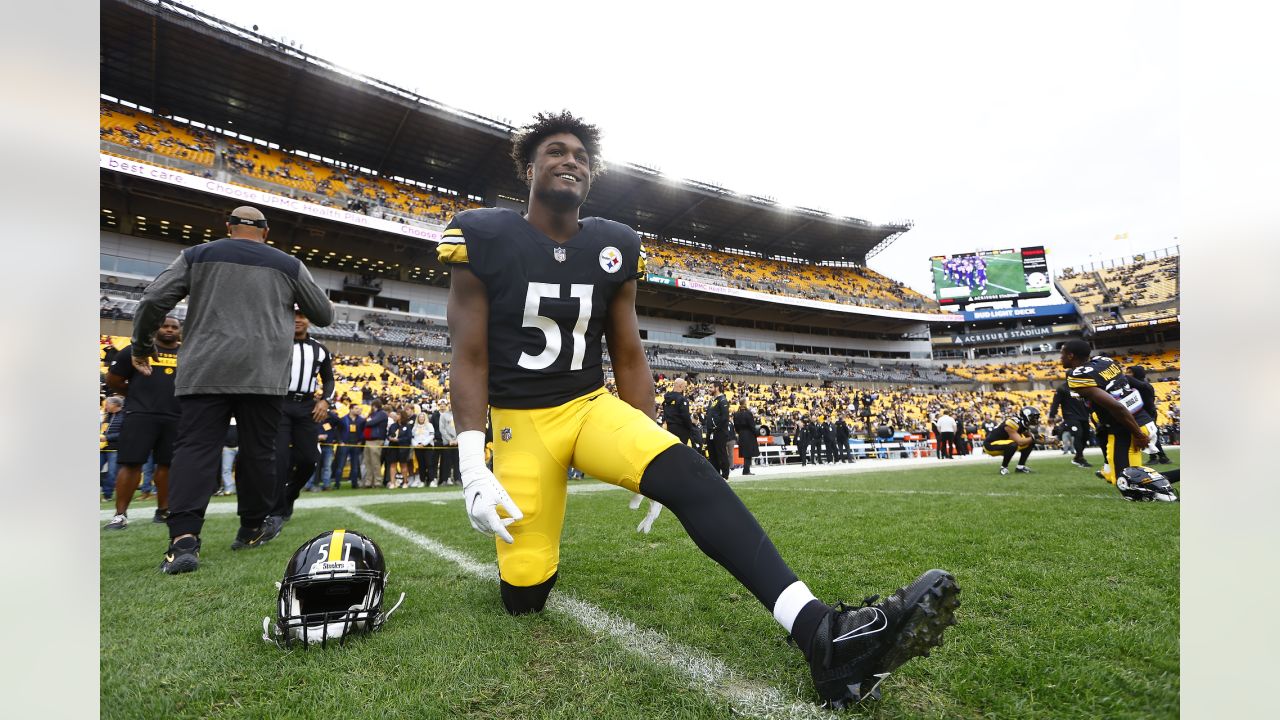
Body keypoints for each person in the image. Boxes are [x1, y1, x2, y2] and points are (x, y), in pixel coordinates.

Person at [438, 111, 958, 707]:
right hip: (516, 424)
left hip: (585, 407)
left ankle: (821, 634)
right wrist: (474, 464)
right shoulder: (483, 234)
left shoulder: (613, 245)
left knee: (688, 472)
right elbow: (470, 354)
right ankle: (531, 562)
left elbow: (628, 352)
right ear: (530, 168)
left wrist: (646, 436)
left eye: (581, 155)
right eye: (556, 151)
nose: (571, 160)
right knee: (525, 594)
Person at [130, 205, 332, 574]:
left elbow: (153, 299)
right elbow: (324, 313)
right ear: (266, 232)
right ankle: (252, 528)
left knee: (195, 449)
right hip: (264, 372)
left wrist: (142, 346)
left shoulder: (196, 255)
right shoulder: (288, 264)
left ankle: (184, 539)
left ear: (228, 227)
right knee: (260, 452)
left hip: (206, 367)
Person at [104, 316, 182, 529]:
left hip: (175, 416)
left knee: (168, 465)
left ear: (179, 331)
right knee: (131, 464)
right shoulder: (135, 350)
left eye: (174, 327)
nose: (169, 330)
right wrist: (136, 395)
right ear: (155, 328)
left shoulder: (188, 353)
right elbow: (113, 380)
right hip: (140, 415)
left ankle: (163, 510)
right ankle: (120, 515)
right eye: (164, 325)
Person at [267, 309, 335, 521]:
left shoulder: (320, 350)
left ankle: (291, 493)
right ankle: (277, 511)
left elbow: (329, 380)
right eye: (293, 316)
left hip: (306, 406)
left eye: (302, 316)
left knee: (309, 459)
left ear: (309, 320)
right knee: (278, 458)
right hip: (280, 404)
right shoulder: (276, 343)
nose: (297, 320)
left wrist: (325, 400)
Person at [1059, 339, 1152, 485]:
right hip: (1140, 417)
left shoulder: (1077, 376)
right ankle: (1108, 470)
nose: (1060, 358)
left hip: (1128, 427)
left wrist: (1138, 434)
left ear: (1071, 355)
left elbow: (1117, 407)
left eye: (1062, 354)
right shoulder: (1104, 361)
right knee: (1125, 478)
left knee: (1128, 483)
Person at [1127, 366, 1172, 464]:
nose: (1128, 374)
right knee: (1149, 435)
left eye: (1130, 372)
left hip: (1148, 414)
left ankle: (1158, 457)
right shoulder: (1136, 386)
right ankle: (1160, 457)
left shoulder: (1145, 385)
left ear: (1137, 373)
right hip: (1144, 414)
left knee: (1150, 435)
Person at [982, 406, 1040, 476]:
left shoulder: (1023, 423)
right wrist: (1035, 437)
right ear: (1026, 416)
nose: (1036, 419)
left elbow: (1031, 438)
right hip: (990, 445)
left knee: (1030, 442)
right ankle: (1003, 468)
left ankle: (1020, 467)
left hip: (1004, 443)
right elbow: (1020, 442)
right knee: (1013, 444)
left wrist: (1050, 439)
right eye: (1033, 417)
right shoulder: (1012, 423)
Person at [1047, 381, 1093, 468]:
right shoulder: (1062, 388)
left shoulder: (1081, 386)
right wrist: (1051, 415)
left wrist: (1092, 412)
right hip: (1070, 417)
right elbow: (1055, 403)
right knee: (1078, 435)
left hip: (1084, 416)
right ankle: (1080, 458)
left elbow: (1087, 402)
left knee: (1086, 437)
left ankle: (1077, 457)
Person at [703, 380, 732, 479]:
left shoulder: (722, 400)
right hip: (710, 432)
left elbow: (725, 417)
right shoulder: (712, 400)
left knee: (721, 453)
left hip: (720, 432)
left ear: (717, 388)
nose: (709, 389)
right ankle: (716, 475)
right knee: (712, 454)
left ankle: (725, 475)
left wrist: (716, 427)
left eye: (711, 387)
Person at [332, 404, 365, 488]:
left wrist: (360, 441)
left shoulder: (361, 420)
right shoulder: (343, 419)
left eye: (359, 409)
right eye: (356, 408)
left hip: (355, 445)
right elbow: (337, 431)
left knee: (355, 466)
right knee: (340, 465)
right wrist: (340, 441)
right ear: (351, 409)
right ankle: (337, 484)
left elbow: (363, 432)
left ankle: (354, 484)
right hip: (345, 444)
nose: (358, 410)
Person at [99, 396, 125, 502]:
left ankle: (107, 495)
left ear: (115, 405)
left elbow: (124, 433)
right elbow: (103, 430)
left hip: (115, 449)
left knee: (112, 473)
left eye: (108, 404)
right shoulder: (107, 416)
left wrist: (107, 437)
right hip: (102, 448)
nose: (106, 406)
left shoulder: (124, 416)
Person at [362, 399, 389, 488]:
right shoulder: (373, 414)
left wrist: (366, 421)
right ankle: (369, 481)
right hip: (369, 439)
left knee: (375, 462)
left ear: (374, 405)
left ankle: (377, 481)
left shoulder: (382, 414)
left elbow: (371, 422)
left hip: (376, 439)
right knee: (368, 462)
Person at [733, 401, 760, 475]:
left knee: (745, 453)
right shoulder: (748, 413)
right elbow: (752, 426)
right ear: (745, 404)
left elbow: (736, 427)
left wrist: (740, 433)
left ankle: (746, 470)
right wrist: (757, 433)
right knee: (749, 453)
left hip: (741, 435)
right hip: (749, 434)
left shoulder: (736, 414)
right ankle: (746, 470)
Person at [411, 409, 435, 487]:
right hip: (418, 447)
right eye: (420, 417)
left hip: (427, 446)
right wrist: (416, 444)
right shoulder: (415, 427)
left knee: (429, 464)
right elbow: (412, 437)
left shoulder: (429, 425)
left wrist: (424, 443)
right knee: (421, 465)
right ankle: (422, 480)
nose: (421, 418)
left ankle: (431, 480)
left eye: (422, 417)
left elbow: (431, 435)